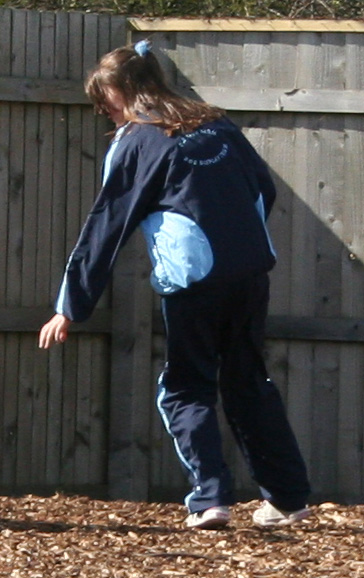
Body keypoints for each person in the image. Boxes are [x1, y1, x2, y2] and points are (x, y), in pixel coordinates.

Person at [38, 40, 311, 529]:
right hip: (250, 271)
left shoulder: (138, 141)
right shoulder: (217, 123)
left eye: (109, 100)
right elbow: (263, 187)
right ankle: (288, 499)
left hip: (195, 281)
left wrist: (69, 306)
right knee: (249, 381)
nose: (110, 111)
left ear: (122, 91)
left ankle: (210, 500)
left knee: (185, 387)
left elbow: (107, 224)